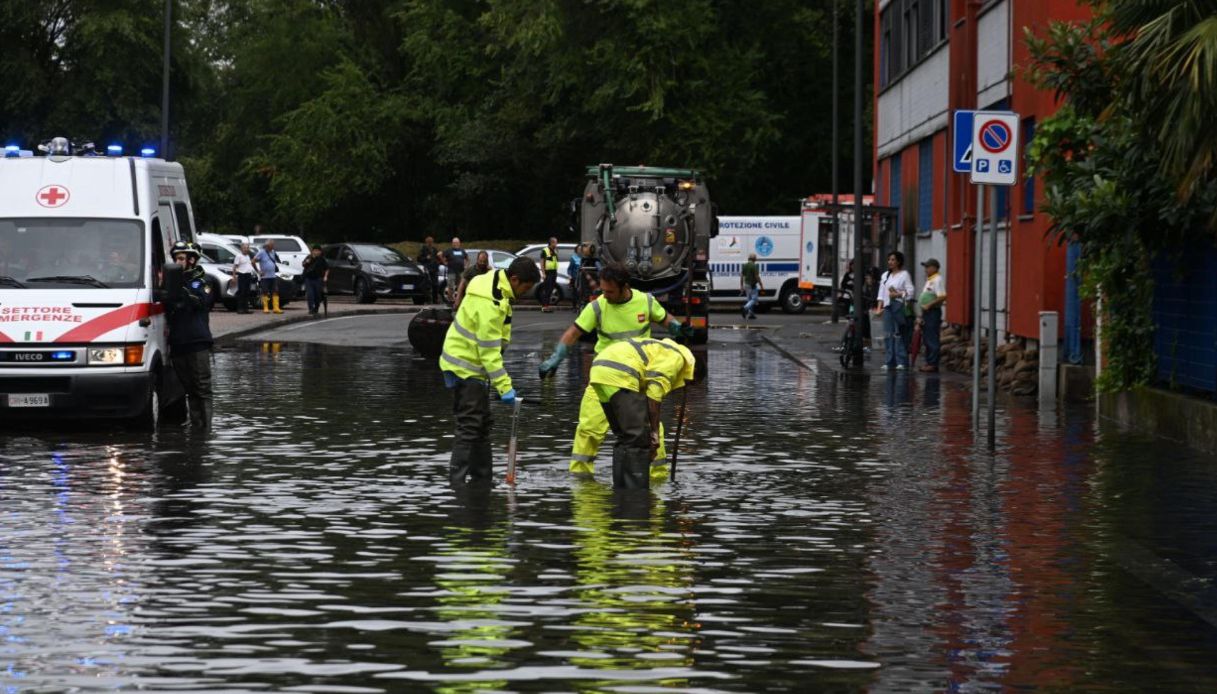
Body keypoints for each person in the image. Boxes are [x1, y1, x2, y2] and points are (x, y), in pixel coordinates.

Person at [538, 263, 692, 480]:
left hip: (638, 377)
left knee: (652, 430)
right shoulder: (598, 306)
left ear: (624, 287)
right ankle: (581, 478)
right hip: (605, 375)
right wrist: (556, 357)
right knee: (589, 427)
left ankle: (657, 478)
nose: (604, 295)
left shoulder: (645, 301)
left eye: (609, 291)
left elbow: (665, 319)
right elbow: (573, 333)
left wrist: (677, 327)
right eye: (602, 290)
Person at [439, 257, 540, 486]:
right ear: (514, 279)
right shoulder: (491, 303)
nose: (525, 293)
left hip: (470, 364)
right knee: (470, 425)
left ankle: (482, 479)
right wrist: (505, 388)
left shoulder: (495, 283)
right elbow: (488, 353)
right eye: (525, 288)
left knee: (482, 424)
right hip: (466, 366)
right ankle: (457, 484)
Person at [590, 337, 695, 489]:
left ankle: (620, 491)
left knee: (625, 438)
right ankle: (636, 495)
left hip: (600, 372)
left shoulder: (661, 349)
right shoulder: (676, 358)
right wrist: (654, 432)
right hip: (620, 373)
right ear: (693, 372)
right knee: (638, 438)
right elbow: (654, 392)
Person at [165, 241, 214, 430]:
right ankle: (196, 428)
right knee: (189, 390)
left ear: (192, 260)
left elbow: (201, 301)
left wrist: (179, 288)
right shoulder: (172, 281)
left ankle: (206, 430)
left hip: (197, 342)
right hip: (178, 343)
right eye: (176, 258)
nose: (177, 262)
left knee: (202, 388)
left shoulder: (203, 280)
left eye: (181, 259)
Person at [874, 251, 916, 371]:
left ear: (898, 261)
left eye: (893, 260)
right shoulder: (885, 275)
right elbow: (881, 293)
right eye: (889, 260)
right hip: (887, 308)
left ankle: (901, 361)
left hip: (899, 307)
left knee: (899, 334)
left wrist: (897, 294)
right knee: (888, 334)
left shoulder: (904, 275)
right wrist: (879, 308)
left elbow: (910, 292)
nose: (890, 262)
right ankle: (889, 361)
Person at [917, 258, 947, 372]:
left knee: (932, 338)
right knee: (927, 338)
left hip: (932, 312)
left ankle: (933, 363)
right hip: (927, 313)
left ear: (935, 267)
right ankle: (929, 362)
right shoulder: (930, 279)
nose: (926, 269)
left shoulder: (937, 279)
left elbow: (942, 296)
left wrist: (929, 305)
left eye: (928, 267)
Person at [252, 239, 282, 314]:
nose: (272, 247)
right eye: (271, 246)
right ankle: (266, 308)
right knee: (265, 292)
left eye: (273, 245)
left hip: (273, 276)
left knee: (275, 291)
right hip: (265, 277)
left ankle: (276, 308)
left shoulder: (273, 252)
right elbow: (253, 261)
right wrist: (258, 271)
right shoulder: (261, 252)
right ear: (267, 246)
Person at [302, 244, 329, 316]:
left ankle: (316, 307)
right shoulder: (309, 257)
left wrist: (325, 276)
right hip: (309, 279)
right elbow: (303, 264)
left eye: (318, 251)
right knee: (310, 294)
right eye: (315, 250)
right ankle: (311, 308)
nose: (316, 252)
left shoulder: (322, 259)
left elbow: (327, 269)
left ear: (320, 252)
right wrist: (308, 261)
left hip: (318, 279)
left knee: (318, 295)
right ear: (312, 251)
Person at [538, 237, 560, 312]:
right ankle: (544, 306)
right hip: (548, 272)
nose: (556, 244)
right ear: (551, 243)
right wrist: (543, 273)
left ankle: (547, 306)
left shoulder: (555, 250)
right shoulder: (545, 251)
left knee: (550, 289)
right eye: (555, 242)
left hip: (554, 272)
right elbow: (542, 262)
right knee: (547, 289)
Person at [443, 237, 468, 304]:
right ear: (452, 243)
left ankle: (459, 300)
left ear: (459, 243)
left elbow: (467, 258)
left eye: (457, 242)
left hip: (461, 272)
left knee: (461, 286)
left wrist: (466, 266)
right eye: (454, 243)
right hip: (451, 271)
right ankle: (450, 300)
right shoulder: (449, 250)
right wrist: (444, 262)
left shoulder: (462, 251)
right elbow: (441, 255)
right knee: (450, 286)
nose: (456, 244)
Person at [233, 241, 256, 313]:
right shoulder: (238, 256)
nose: (246, 249)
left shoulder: (248, 256)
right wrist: (234, 276)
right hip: (242, 275)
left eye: (247, 248)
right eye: (244, 248)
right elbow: (235, 267)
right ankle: (240, 309)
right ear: (241, 249)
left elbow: (250, 265)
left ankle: (246, 309)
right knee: (241, 292)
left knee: (247, 292)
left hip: (248, 275)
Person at [418, 236, 441, 303]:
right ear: (426, 242)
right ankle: (428, 299)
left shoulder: (434, 249)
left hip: (434, 269)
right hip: (427, 269)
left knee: (435, 285)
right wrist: (426, 258)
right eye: (429, 242)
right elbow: (419, 259)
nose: (430, 243)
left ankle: (435, 299)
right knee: (427, 285)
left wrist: (438, 261)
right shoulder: (423, 249)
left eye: (431, 242)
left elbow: (438, 258)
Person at [740, 252, 762, 319]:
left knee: (749, 299)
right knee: (754, 299)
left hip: (746, 284)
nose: (756, 259)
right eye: (756, 258)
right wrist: (761, 284)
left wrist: (741, 286)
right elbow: (757, 276)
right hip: (752, 285)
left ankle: (751, 314)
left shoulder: (745, 265)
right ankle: (745, 308)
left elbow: (741, 276)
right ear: (754, 259)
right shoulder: (753, 266)